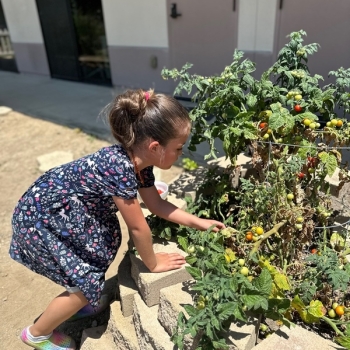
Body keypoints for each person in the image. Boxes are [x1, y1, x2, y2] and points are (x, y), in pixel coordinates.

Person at [9, 89, 225, 350]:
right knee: (84, 282)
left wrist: (201, 222)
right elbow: (137, 226)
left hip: (60, 213)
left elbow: (155, 204)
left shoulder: (139, 161)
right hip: (41, 220)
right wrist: (153, 263)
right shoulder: (120, 168)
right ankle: (36, 333)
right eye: (178, 148)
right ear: (155, 147)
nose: (181, 153)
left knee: (96, 256)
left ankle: (80, 300)